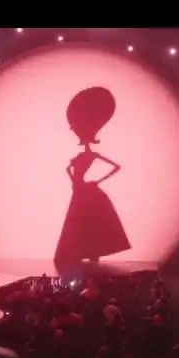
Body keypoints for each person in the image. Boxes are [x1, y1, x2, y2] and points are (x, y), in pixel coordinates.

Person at [55, 87, 130, 268]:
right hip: (80, 190)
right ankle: (84, 252)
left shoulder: (91, 155)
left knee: (86, 221)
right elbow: (67, 169)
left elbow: (116, 167)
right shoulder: (82, 156)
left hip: (83, 190)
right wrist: (75, 181)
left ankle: (90, 252)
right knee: (80, 222)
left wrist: (95, 181)